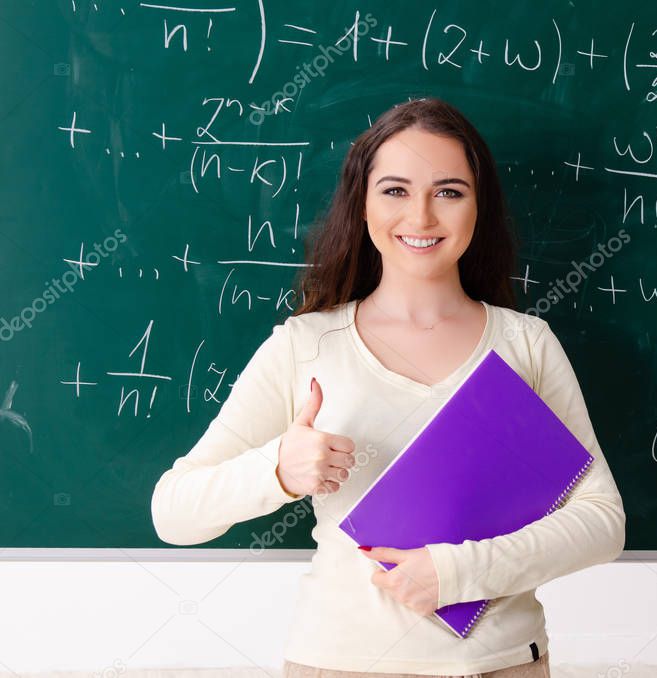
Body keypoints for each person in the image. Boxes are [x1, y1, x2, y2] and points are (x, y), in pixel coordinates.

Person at [151, 97, 626, 677]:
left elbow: (602, 521)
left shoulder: (525, 343)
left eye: (449, 191)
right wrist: (277, 468)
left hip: (503, 664)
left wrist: (457, 573)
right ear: (363, 204)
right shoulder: (306, 345)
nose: (421, 218)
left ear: (479, 207)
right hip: (340, 663)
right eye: (395, 190)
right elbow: (173, 513)